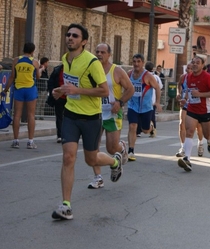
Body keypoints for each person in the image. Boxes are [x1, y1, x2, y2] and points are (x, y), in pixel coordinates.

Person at [50, 23, 123, 220]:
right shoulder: (66, 59)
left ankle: (115, 161)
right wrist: (61, 90)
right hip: (71, 115)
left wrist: (77, 91)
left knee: (91, 159)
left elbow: (104, 91)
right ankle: (66, 205)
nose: (70, 38)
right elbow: (72, 84)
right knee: (68, 157)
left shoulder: (92, 62)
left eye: (74, 36)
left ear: (83, 41)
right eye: (68, 34)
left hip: (91, 118)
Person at [88, 43, 135, 189]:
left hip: (112, 112)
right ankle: (98, 178)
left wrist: (120, 102)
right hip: (95, 112)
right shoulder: (91, 69)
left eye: (103, 52)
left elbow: (130, 89)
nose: (99, 54)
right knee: (93, 148)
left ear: (109, 54)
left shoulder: (117, 71)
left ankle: (121, 148)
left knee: (111, 148)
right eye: (97, 52)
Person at [177, 56, 210, 172]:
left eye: (197, 63)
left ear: (202, 65)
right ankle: (187, 159)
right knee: (189, 131)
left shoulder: (207, 77)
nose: (194, 64)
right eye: (193, 62)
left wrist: (200, 94)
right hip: (192, 108)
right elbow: (189, 90)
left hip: (205, 110)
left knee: (206, 135)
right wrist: (185, 99)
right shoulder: (189, 77)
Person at [1, 42, 41, 149]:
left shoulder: (16, 60)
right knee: (31, 115)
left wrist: (5, 90)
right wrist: (39, 70)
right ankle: (30, 141)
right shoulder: (34, 62)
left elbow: (12, 76)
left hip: (18, 89)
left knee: (17, 115)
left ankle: (15, 141)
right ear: (33, 51)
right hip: (30, 89)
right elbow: (38, 77)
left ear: (23, 50)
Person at [127, 54, 162, 161]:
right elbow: (125, 87)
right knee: (132, 126)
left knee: (145, 130)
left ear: (142, 63)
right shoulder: (129, 74)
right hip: (132, 106)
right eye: (134, 61)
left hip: (146, 107)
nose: (136, 64)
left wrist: (157, 102)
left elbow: (157, 88)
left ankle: (151, 127)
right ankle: (131, 151)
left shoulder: (148, 76)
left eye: (138, 61)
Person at [175, 62, 205, 158]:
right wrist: (178, 93)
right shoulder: (183, 77)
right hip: (185, 103)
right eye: (187, 68)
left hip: (196, 104)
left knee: (198, 127)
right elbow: (179, 85)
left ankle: (200, 143)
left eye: (190, 68)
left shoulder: (200, 79)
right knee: (181, 124)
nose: (188, 70)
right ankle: (183, 147)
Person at [47, 64, 66, 143]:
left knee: (69, 117)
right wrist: (53, 92)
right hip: (59, 97)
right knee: (59, 116)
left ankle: (68, 134)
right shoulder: (58, 70)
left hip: (70, 98)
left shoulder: (75, 70)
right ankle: (60, 135)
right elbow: (51, 82)